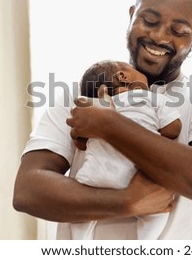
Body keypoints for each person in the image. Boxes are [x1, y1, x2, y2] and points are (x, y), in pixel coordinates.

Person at [13, 0, 192, 239]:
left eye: (179, 30)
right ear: (131, 16)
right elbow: (27, 191)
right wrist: (126, 202)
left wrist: (108, 125)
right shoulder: (79, 93)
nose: (160, 37)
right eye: (149, 20)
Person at [72, 59, 182, 239]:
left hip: (94, 175)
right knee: (157, 213)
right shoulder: (152, 98)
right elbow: (173, 129)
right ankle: (145, 244)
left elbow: (81, 143)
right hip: (134, 177)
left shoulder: (94, 108)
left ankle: (79, 242)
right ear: (123, 76)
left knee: (79, 215)